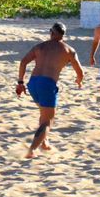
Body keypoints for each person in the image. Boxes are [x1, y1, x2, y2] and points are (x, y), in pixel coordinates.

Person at [15, 22, 84, 158]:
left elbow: (23, 62)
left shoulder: (40, 46)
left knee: (44, 113)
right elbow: (80, 71)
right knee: (48, 120)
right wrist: (79, 80)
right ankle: (32, 150)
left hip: (33, 83)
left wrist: (20, 82)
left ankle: (44, 142)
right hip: (47, 84)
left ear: (51, 33)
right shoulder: (69, 50)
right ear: (64, 35)